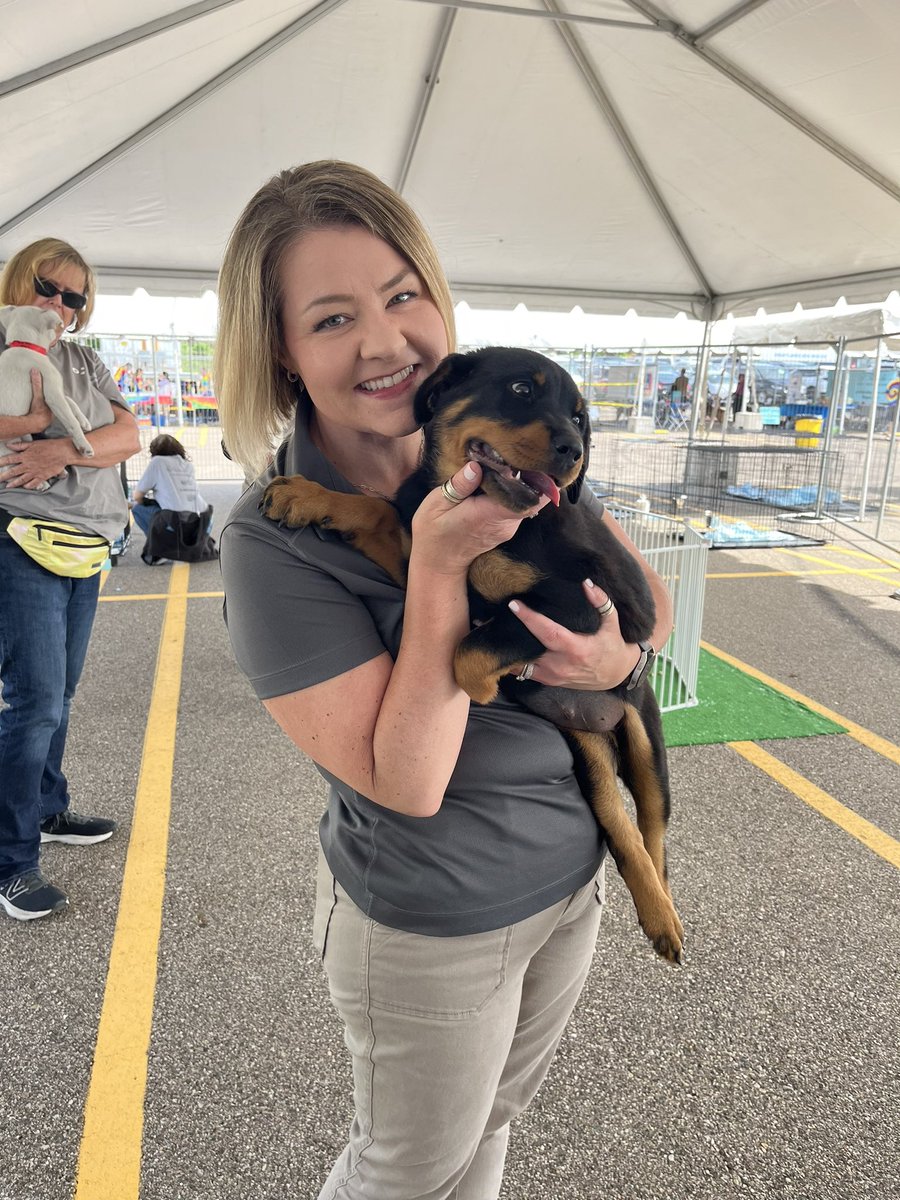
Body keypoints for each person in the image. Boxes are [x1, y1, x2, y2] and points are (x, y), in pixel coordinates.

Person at [215, 161, 674, 1200]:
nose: (384, 341)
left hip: (570, 877)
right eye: (331, 319)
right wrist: (433, 565)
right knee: (406, 1168)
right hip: (436, 920)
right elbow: (409, 783)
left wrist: (619, 661)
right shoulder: (272, 538)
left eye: (401, 295)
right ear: (280, 352)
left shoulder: (499, 458)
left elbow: (646, 604)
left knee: (489, 1131)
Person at [0, 237, 141, 921]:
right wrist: (68, 439)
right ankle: (12, 862)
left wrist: (60, 447)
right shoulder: (6, 352)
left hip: (88, 544)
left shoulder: (83, 359)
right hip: (21, 541)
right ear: (16, 283)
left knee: (60, 694)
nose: (57, 304)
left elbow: (129, 434)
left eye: (72, 296)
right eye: (45, 287)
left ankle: (49, 809)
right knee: (36, 702)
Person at [130, 433, 210, 562]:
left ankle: (160, 549)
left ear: (154, 450)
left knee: (137, 508)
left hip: (176, 519)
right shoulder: (187, 464)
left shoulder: (158, 462)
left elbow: (137, 496)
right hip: (200, 518)